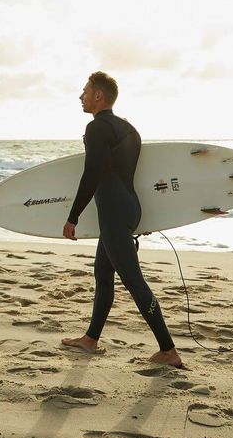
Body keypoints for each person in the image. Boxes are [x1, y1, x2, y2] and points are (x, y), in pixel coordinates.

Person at [61, 71, 182, 368]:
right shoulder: (129, 129)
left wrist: (73, 216)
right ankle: (90, 339)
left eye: (85, 91)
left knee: (134, 281)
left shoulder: (96, 129)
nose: (81, 96)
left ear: (98, 96)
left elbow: (92, 174)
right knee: (103, 276)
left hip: (114, 214)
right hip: (128, 209)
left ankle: (168, 350)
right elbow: (138, 177)